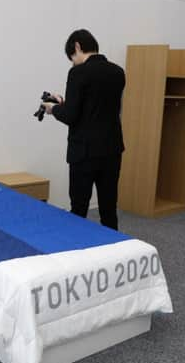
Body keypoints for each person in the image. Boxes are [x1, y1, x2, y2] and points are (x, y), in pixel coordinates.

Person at [42, 29, 126, 230]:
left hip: (84, 152)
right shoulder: (118, 72)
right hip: (112, 149)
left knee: (79, 208)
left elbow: (72, 116)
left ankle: (78, 255)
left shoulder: (78, 72)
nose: (72, 61)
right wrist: (65, 102)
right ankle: (112, 251)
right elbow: (95, 107)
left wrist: (53, 108)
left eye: (72, 56)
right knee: (108, 207)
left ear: (77, 46)